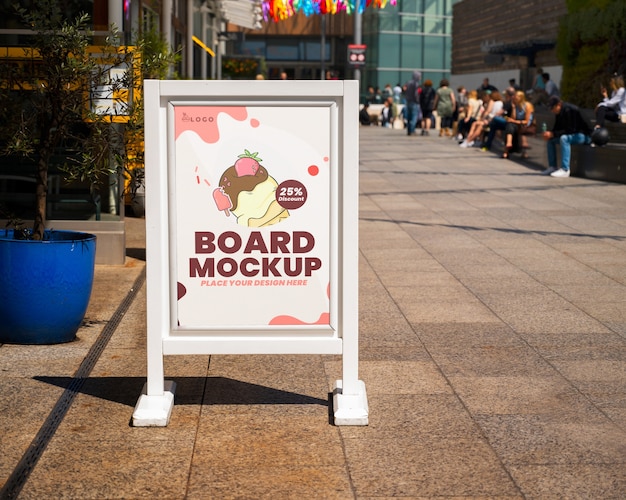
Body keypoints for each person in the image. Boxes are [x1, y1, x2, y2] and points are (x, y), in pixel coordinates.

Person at [542, 96, 592, 178]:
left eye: (553, 108)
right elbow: (557, 128)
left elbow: (571, 130)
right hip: (574, 134)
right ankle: (552, 166)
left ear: (559, 104)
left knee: (564, 139)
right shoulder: (559, 112)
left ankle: (565, 169)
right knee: (551, 140)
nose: (552, 111)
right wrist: (550, 134)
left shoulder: (570, 110)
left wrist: (553, 134)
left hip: (585, 136)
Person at [501, 91, 535, 159]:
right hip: (518, 124)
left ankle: (506, 151)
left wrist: (514, 121)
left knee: (510, 125)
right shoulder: (516, 105)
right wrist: (513, 108)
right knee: (509, 125)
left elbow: (527, 121)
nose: (514, 98)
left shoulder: (527, 105)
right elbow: (513, 118)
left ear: (521, 97)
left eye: (516, 97)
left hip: (526, 125)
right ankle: (509, 143)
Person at [403, 70, 422, 136]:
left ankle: (408, 130)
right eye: (419, 76)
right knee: (414, 117)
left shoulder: (408, 83)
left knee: (409, 117)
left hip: (408, 102)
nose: (420, 78)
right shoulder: (416, 84)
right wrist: (418, 100)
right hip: (414, 102)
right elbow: (416, 94)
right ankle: (412, 130)